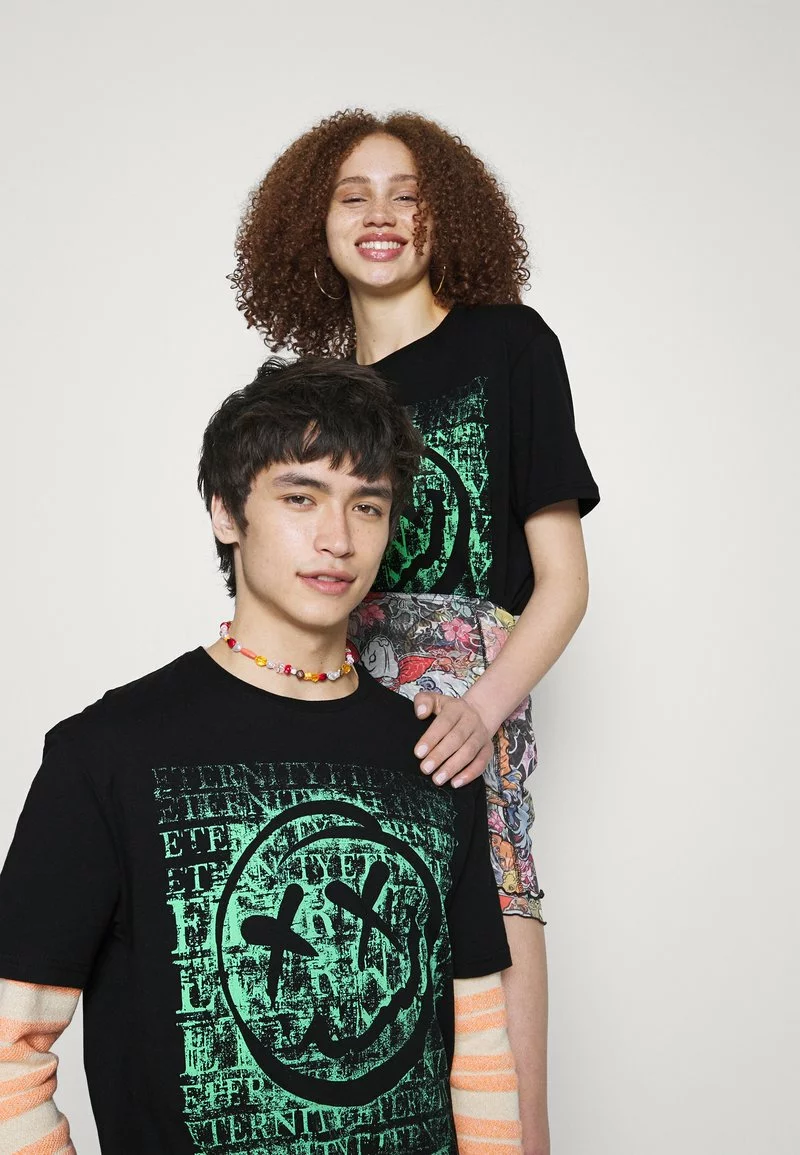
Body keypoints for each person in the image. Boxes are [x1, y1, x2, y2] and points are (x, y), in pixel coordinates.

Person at [0, 358, 521, 1155]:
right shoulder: (107, 753)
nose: (338, 539)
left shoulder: (434, 752)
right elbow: (9, 1050)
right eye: (300, 497)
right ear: (226, 511)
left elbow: (480, 1052)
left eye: (368, 505)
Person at [231, 109, 601, 1155]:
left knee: (495, 969)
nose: (381, 215)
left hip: (467, 704)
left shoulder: (509, 347)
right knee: (347, 968)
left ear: (447, 219)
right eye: (353, 196)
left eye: (407, 195)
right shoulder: (302, 395)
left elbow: (563, 583)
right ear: (312, 225)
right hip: (332, 689)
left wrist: (482, 712)